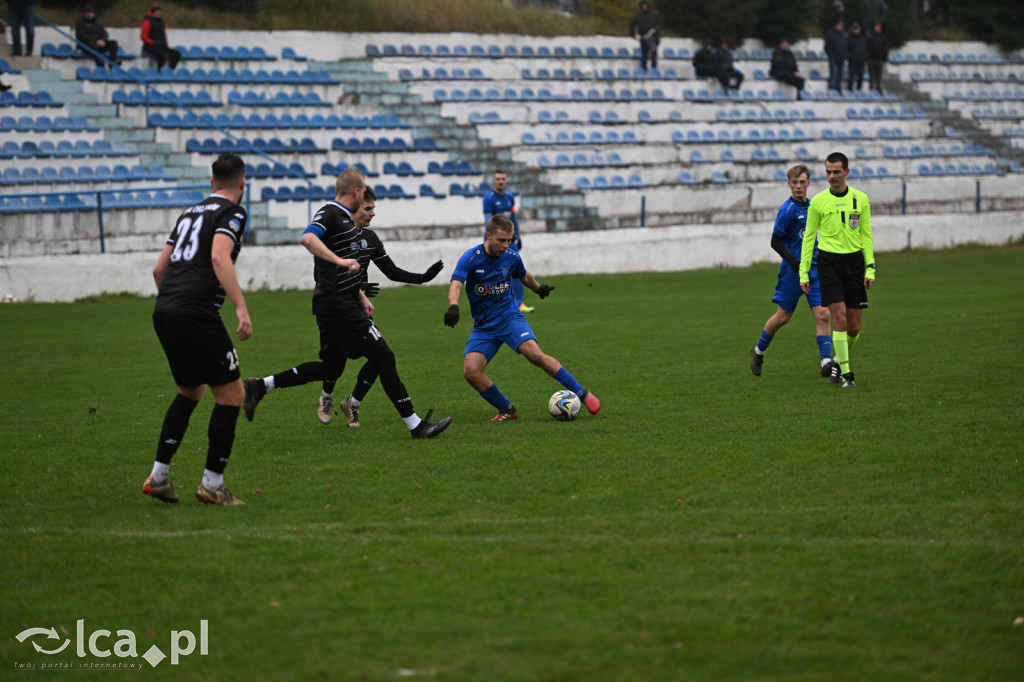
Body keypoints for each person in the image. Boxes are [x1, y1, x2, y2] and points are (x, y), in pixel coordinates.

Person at [242, 167, 451, 439]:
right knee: (383, 356)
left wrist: (360, 293)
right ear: (356, 192)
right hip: (338, 306)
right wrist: (341, 263)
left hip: (338, 303)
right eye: (365, 195)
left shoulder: (347, 223)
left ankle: (262, 385)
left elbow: (345, 270)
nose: (371, 207)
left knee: (332, 368)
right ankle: (415, 425)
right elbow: (307, 238)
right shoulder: (330, 213)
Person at [144, 153, 251, 506]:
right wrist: (240, 306)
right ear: (242, 184)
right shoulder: (232, 212)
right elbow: (220, 256)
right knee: (232, 396)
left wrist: (176, 305)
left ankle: (159, 476)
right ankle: (212, 484)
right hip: (196, 314)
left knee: (190, 391)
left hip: (165, 310)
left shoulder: (189, 212)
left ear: (210, 184)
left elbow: (160, 270)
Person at [444, 215, 601, 421]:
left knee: (535, 355)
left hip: (509, 317)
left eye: (509, 240)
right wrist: (453, 307)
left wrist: (539, 288)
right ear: (488, 236)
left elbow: (524, 275)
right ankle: (507, 410)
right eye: (501, 240)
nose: (506, 245)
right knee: (471, 371)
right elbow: (456, 284)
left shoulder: (511, 256)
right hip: (484, 326)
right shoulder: (471, 258)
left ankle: (582, 393)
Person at [319, 185, 445, 428]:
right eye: (369, 208)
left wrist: (422, 278)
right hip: (335, 306)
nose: (373, 213)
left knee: (380, 355)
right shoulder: (336, 236)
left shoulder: (370, 238)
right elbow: (324, 274)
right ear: (354, 208)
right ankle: (327, 395)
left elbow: (392, 271)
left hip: (356, 309)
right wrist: (357, 290)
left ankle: (353, 402)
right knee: (333, 361)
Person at [799, 152, 875, 388]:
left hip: (854, 263)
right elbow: (809, 238)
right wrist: (803, 272)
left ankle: (836, 361)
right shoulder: (818, 202)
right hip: (828, 262)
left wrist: (870, 266)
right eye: (828, 172)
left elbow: (866, 234)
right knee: (839, 319)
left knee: (854, 327)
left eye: (836, 172)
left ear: (846, 172)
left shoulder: (860, 199)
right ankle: (846, 375)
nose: (831, 176)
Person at [750, 164, 833, 378]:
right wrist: (794, 261)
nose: (798, 186)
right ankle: (758, 351)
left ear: (808, 183)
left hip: (813, 270)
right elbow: (775, 241)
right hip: (793, 272)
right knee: (783, 317)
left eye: (802, 182)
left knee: (823, 314)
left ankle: (826, 362)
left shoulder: (813, 206)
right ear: (789, 184)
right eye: (794, 182)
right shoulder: (786, 211)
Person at [482, 169, 531, 313]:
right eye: (497, 179)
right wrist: (490, 240)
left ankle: (519, 303)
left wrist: (519, 236)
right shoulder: (489, 198)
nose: (500, 181)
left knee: (517, 269)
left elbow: (514, 219)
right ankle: (489, 303)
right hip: (494, 243)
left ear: (506, 180)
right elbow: (488, 222)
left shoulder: (510, 197)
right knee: (491, 273)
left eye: (503, 179)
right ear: (493, 181)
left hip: (510, 241)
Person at [75, 4, 120, 68]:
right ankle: (100, 65)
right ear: (85, 13)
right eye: (88, 13)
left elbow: (104, 32)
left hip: (99, 43)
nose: (90, 14)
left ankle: (111, 63)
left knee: (113, 43)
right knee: (92, 46)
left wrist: (103, 40)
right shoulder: (80, 22)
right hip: (87, 45)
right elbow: (81, 36)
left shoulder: (97, 22)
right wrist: (95, 41)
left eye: (91, 13)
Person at [140, 4, 181, 70]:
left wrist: (165, 42)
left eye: (159, 11)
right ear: (153, 12)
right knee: (162, 54)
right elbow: (143, 37)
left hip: (161, 45)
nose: (158, 13)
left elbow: (164, 34)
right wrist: (153, 42)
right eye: (156, 11)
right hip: (150, 46)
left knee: (177, 54)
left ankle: (169, 71)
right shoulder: (147, 21)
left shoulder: (162, 22)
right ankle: (159, 71)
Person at [629, 0, 663, 72]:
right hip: (643, 40)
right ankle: (643, 72)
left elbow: (660, 24)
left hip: (653, 39)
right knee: (644, 56)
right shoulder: (638, 16)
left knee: (653, 56)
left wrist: (655, 29)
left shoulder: (655, 14)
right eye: (643, 5)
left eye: (645, 5)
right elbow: (631, 27)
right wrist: (635, 35)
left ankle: (654, 72)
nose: (644, 7)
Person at [824, 19, 848, 93]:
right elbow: (827, 47)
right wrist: (832, 57)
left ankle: (838, 93)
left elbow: (847, 47)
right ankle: (832, 93)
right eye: (839, 25)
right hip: (834, 60)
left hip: (842, 60)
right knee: (833, 78)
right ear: (836, 25)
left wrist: (845, 56)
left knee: (839, 79)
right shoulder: (831, 34)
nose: (840, 26)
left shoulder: (844, 35)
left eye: (841, 25)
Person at [867, 22, 889, 93]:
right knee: (872, 78)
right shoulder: (870, 38)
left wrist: (883, 58)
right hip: (871, 61)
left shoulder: (884, 38)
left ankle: (879, 91)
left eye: (878, 28)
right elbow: (867, 49)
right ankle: (871, 91)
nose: (877, 29)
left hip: (880, 61)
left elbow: (886, 49)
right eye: (876, 27)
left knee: (879, 78)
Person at [846, 22, 867, 91]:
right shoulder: (849, 39)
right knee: (851, 78)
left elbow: (865, 49)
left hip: (861, 62)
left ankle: (859, 91)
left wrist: (864, 57)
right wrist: (850, 57)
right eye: (854, 28)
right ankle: (849, 91)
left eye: (857, 28)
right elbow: (847, 50)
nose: (855, 30)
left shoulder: (863, 39)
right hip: (852, 62)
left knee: (860, 78)